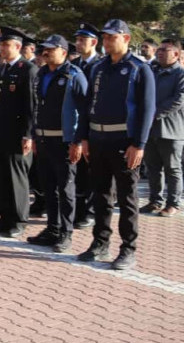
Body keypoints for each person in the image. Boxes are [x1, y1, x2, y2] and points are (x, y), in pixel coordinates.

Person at [77, 19, 155, 271]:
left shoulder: (138, 68)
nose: (108, 41)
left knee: (127, 198)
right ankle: (100, 242)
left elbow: (146, 109)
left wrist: (139, 144)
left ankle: (128, 249)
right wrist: (84, 138)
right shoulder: (98, 68)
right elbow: (87, 105)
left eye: (113, 37)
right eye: (106, 37)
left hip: (124, 142)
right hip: (98, 140)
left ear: (126, 39)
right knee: (100, 195)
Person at [25, 35, 88, 253]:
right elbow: (37, 108)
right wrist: (34, 135)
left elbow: (83, 111)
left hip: (64, 141)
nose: (46, 52)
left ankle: (66, 233)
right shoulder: (42, 73)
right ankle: (52, 228)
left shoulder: (73, 75)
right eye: (44, 49)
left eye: (51, 49)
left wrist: (77, 141)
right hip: (43, 139)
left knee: (65, 188)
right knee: (48, 188)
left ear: (63, 51)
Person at [0, 26, 38, 238]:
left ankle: (18, 220)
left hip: (17, 134)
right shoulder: (1, 69)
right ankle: (4, 217)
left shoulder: (28, 69)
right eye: (1, 45)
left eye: (6, 45)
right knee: (1, 177)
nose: (2, 49)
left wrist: (28, 134)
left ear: (17, 46)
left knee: (16, 179)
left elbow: (31, 106)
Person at [141, 38, 184, 218]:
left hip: (171, 129)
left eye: (165, 50)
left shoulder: (180, 74)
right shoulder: (152, 70)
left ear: (176, 54)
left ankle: (173, 203)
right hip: (150, 129)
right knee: (153, 167)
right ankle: (155, 200)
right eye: (159, 49)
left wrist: (153, 113)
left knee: (172, 168)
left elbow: (179, 99)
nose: (159, 52)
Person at [71, 23, 102, 229]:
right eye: (78, 40)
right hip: (77, 125)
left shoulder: (100, 65)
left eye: (83, 40)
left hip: (94, 126)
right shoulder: (76, 66)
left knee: (93, 171)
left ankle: (90, 212)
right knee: (79, 171)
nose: (78, 44)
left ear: (94, 42)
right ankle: (80, 209)